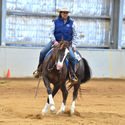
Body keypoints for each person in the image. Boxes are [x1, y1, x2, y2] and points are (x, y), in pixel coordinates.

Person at [34, 7, 78, 81]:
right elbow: (50, 33)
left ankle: (72, 74)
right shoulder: (55, 21)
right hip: (55, 42)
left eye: (66, 13)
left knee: (72, 58)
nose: (65, 14)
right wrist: (54, 41)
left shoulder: (72, 23)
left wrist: (74, 45)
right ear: (60, 13)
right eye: (64, 12)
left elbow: (75, 35)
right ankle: (39, 70)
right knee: (42, 52)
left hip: (66, 44)